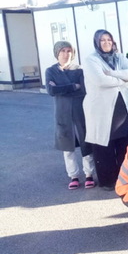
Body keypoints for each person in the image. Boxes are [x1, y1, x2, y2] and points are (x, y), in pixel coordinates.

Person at [83, 29, 128, 190]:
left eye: (109, 39)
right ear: (97, 43)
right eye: (102, 40)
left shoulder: (120, 57)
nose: (107, 43)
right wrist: (122, 80)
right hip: (102, 109)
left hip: (122, 109)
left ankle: (124, 177)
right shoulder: (90, 60)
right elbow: (100, 80)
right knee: (104, 145)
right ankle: (107, 180)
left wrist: (113, 73)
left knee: (124, 142)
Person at [45, 41, 96, 190]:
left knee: (86, 142)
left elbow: (83, 89)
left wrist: (61, 87)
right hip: (62, 112)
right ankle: (73, 175)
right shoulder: (51, 71)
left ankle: (89, 174)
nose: (66, 54)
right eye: (63, 51)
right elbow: (51, 91)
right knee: (67, 145)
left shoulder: (79, 70)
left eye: (69, 51)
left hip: (80, 110)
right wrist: (73, 86)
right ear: (57, 53)